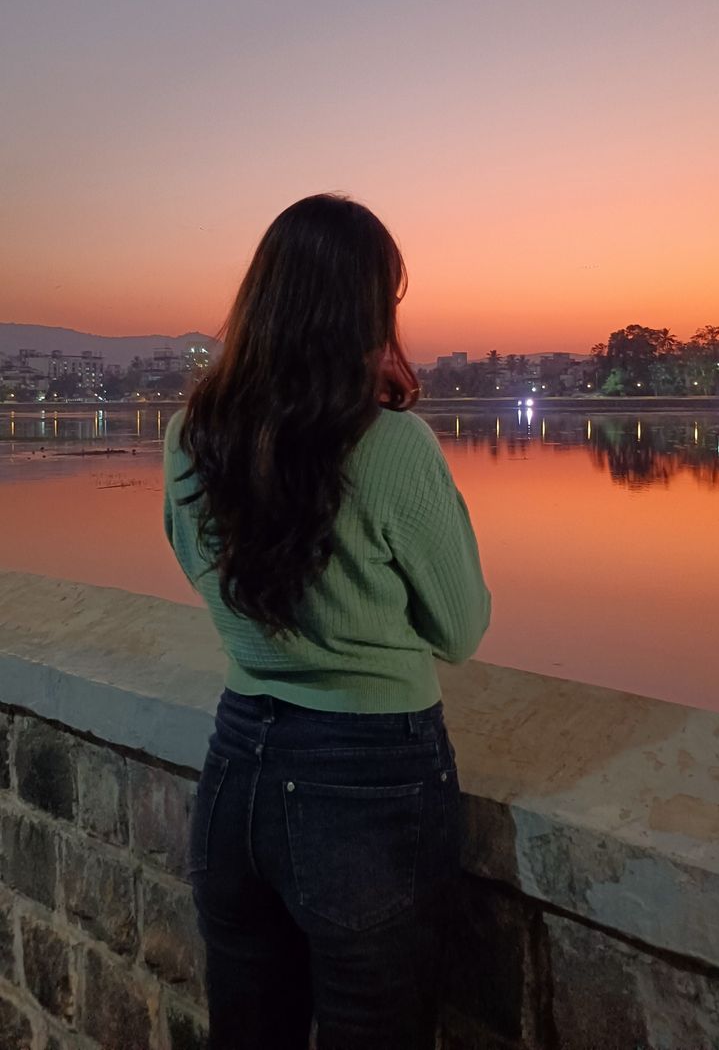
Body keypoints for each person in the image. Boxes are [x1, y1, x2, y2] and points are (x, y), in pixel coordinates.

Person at [163, 192, 491, 1050]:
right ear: (366, 312)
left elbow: (200, 569)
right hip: (369, 779)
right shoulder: (391, 447)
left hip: (238, 766)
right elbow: (461, 627)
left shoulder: (191, 436)